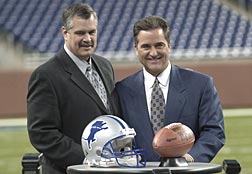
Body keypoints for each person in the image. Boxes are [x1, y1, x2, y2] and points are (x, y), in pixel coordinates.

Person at [115, 16, 225, 163]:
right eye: (146, 46)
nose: (153, 53)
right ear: (136, 49)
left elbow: (214, 132)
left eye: (159, 45)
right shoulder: (122, 90)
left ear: (169, 45)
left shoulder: (201, 85)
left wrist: (190, 158)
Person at [27, 3, 116, 174]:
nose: (88, 39)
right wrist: (88, 158)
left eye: (92, 32)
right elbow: (42, 134)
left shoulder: (105, 66)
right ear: (65, 33)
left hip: (107, 168)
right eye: (80, 33)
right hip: (69, 170)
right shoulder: (46, 75)